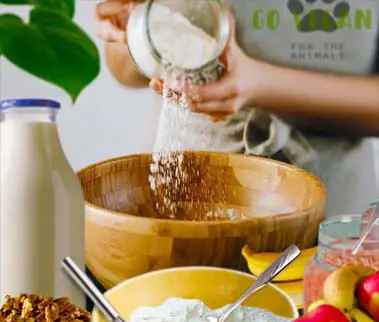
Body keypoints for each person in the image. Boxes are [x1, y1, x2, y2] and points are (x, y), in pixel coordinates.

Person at [95, 0, 379, 216]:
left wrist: (260, 85)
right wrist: (136, 32)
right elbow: (120, 64)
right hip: (187, 191)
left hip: (333, 215)